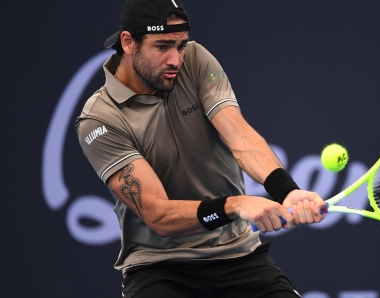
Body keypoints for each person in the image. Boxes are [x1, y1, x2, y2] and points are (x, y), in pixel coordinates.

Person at [75, 0, 326, 297]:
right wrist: (233, 205)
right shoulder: (99, 120)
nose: (175, 60)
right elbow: (158, 214)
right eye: (162, 46)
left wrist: (287, 191)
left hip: (240, 257)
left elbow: (240, 137)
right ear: (128, 42)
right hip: (160, 270)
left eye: (180, 45)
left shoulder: (196, 60)